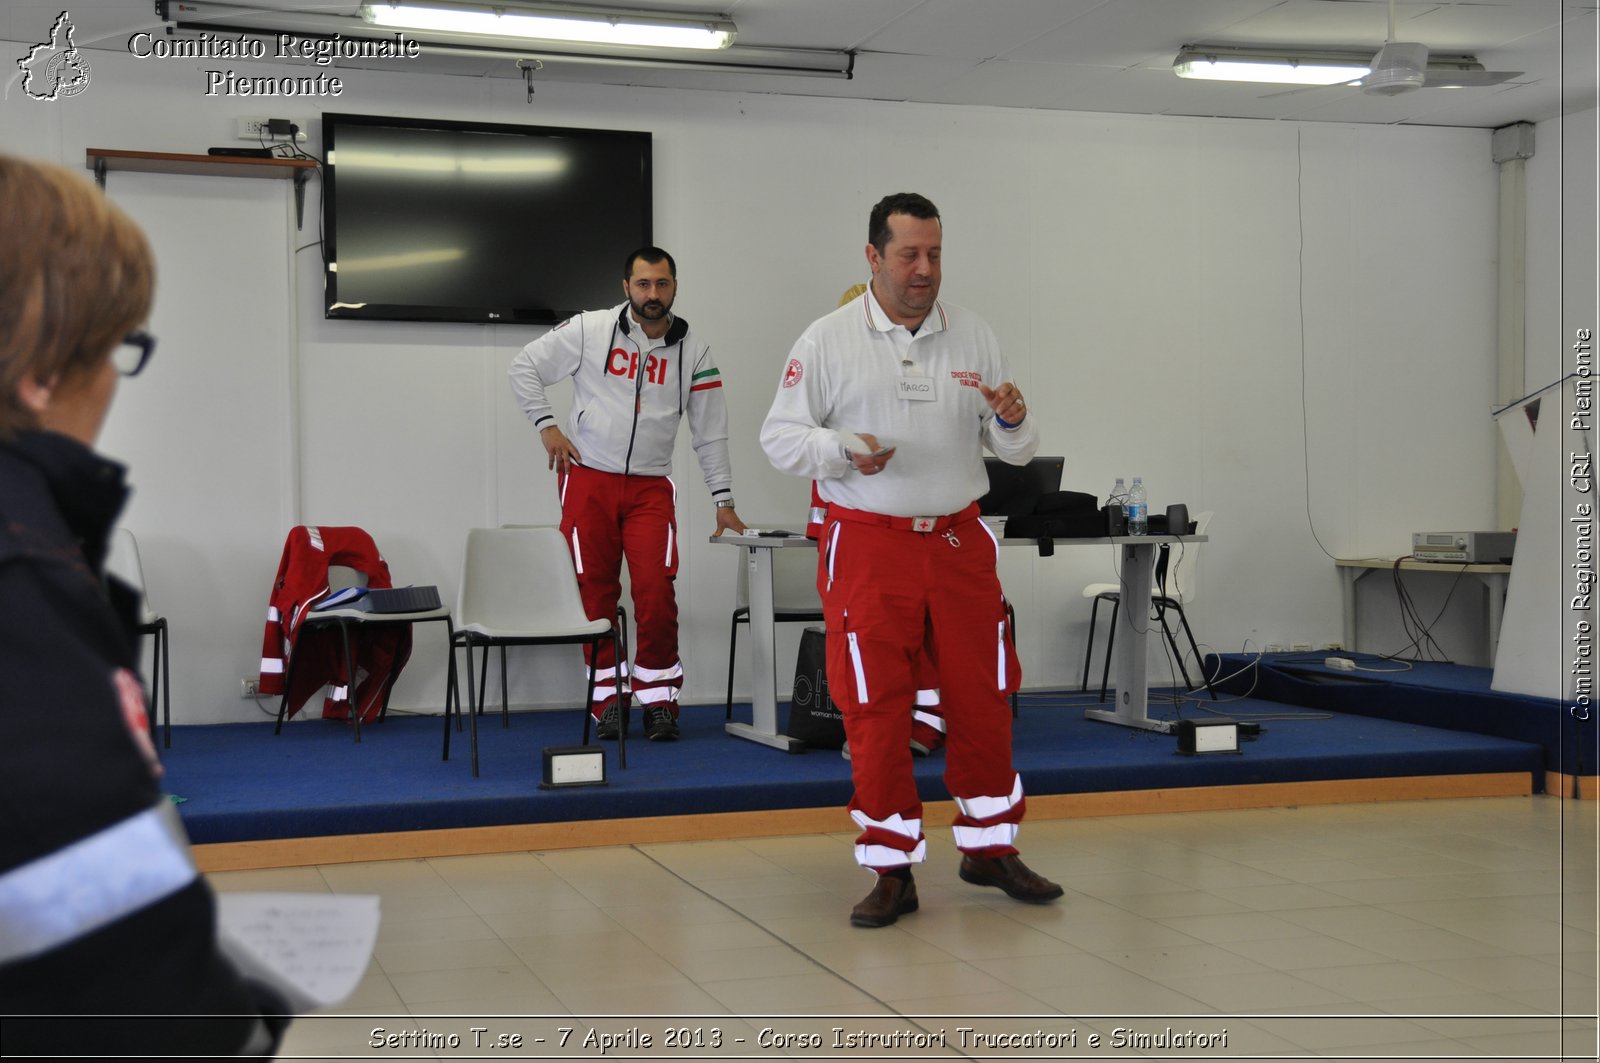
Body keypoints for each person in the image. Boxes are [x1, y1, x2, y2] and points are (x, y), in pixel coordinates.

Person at [0, 155, 290, 1055]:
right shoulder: (25, 585)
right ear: (42, 371)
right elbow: (100, 931)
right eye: (116, 347)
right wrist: (235, 1019)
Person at [761, 192, 1063, 928]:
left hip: (960, 541)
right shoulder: (827, 340)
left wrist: (1015, 420)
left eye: (933, 253)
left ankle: (989, 847)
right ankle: (891, 867)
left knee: (984, 697)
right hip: (869, 544)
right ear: (873, 256)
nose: (924, 269)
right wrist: (842, 450)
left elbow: (1013, 450)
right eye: (908, 255)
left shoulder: (976, 335)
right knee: (875, 707)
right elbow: (778, 437)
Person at [511, 248, 746, 742]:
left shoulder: (694, 351)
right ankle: (608, 702)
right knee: (594, 595)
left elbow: (711, 432)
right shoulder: (588, 330)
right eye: (643, 285)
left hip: (649, 488)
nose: (652, 295)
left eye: (662, 284)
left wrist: (723, 500)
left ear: (675, 287)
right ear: (626, 287)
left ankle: (660, 701)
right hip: (587, 479)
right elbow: (524, 366)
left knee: (657, 592)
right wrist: (547, 426)